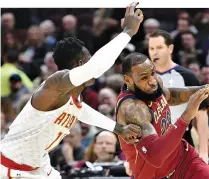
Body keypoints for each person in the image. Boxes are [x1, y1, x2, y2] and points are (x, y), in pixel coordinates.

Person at [0, 2, 143, 179]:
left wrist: (117, 128)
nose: (93, 65)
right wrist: (127, 33)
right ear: (79, 64)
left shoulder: (74, 96)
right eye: (88, 59)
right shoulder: (56, 83)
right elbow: (96, 68)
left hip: (40, 165)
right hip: (12, 168)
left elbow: (81, 111)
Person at [115, 52, 209, 179]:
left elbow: (171, 95)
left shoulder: (153, 84)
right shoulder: (133, 109)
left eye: (153, 73)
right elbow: (155, 156)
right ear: (128, 80)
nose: (153, 81)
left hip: (183, 159)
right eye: (144, 77)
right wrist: (186, 116)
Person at [148, 29, 209, 163]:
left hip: (182, 141)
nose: (155, 52)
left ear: (170, 48)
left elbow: (201, 114)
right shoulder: (142, 79)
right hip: (150, 143)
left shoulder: (187, 76)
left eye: (159, 47)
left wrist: (204, 151)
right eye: (151, 48)